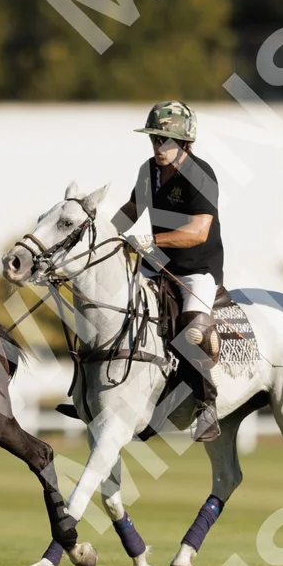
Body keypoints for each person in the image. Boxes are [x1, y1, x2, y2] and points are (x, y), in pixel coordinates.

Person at [116, 100, 230, 443]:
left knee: (194, 329)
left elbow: (198, 231)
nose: (158, 146)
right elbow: (131, 209)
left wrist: (150, 240)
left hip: (196, 269)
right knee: (114, 307)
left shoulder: (200, 173)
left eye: (165, 140)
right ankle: (97, 392)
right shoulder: (147, 171)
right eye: (154, 139)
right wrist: (107, 237)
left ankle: (206, 406)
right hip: (155, 265)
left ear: (184, 142)